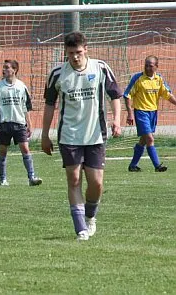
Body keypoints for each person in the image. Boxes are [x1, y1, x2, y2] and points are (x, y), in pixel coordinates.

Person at [41, 31, 122, 241]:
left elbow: (114, 96)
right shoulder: (58, 73)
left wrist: (117, 120)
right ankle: (80, 229)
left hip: (95, 134)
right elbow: (50, 105)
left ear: (86, 49)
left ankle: (90, 217)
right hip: (69, 135)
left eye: (78, 52)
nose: (75, 57)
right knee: (74, 178)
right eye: (70, 54)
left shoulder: (101, 68)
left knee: (96, 183)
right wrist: (44, 135)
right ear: (65, 53)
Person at [0, 59, 42, 187]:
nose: (5, 70)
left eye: (7, 67)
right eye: (4, 67)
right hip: (3, 124)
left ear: (15, 70)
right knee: (3, 151)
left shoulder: (21, 86)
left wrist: (29, 124)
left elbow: (26, 107)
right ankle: (3, 179)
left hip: (19, 124)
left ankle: (31, 177)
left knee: (25, 149)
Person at [124, 55, 176, 172]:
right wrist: (130, 114)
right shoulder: (138, 78)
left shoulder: (159, 79)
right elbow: (127, 95)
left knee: (143, 140)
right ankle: (157, 166)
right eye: (146, 65)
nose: (147, 68)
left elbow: (167, 95)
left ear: (156, 67)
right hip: (141, 113)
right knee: (150, 139)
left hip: (153, 113)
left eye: (150, 66)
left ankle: (133, 165)